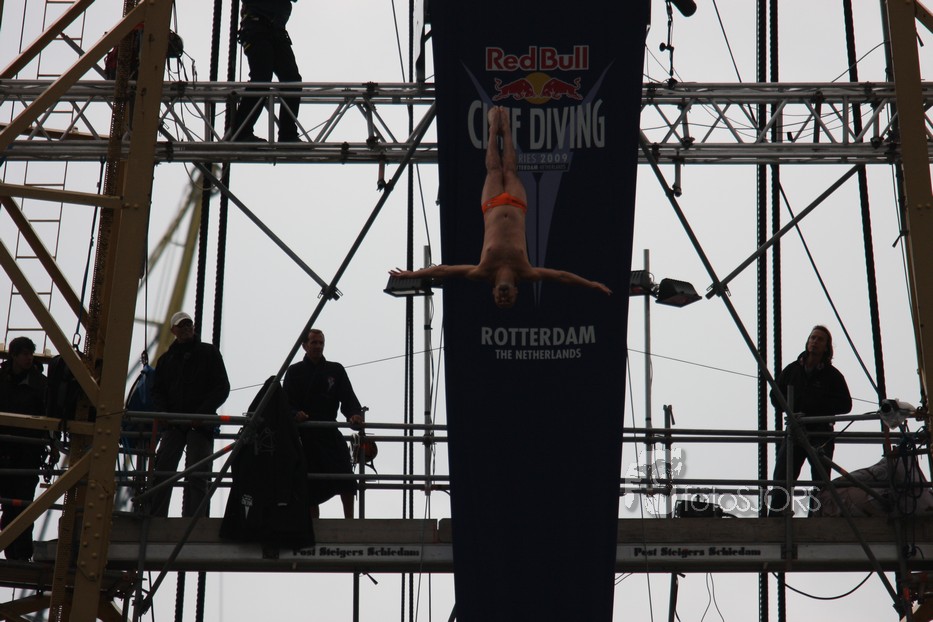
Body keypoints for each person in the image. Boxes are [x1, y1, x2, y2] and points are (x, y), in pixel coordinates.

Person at [389, 106, 611, 308]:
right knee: (511, 170)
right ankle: (506, 128)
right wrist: (591, 284)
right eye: (509, 299)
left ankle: (493, 129)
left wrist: (413, 274)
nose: (504, 297)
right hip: (516, 204)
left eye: (499, 299)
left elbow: (444, 270)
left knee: (494, 169)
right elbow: (561, 276)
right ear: (516, 291)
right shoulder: (526, 272)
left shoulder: (482, 271)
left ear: (493, 291)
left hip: (492, 205)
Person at [149, 311, 230, 517]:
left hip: (199, 424)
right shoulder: (166, 360)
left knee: (198, 474)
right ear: (173, 330)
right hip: (175, 424)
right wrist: (164, 413)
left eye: (188, 324)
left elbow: (222, 387)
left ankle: (197, 520)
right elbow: (157, 392)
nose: (186, 328)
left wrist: (201, 413)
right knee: (163, 471)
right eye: (182, 325)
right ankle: (157, 517)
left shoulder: (208, 353)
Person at [768, 325, 852, 517]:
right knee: (782, 475)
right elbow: (775, 396)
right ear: (807, 342)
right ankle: (776, 517)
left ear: (826, 347)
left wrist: (815, 406)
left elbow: (845, 405)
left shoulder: (832, 376)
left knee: (820, 480)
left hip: (820, 432)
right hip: (796, 431)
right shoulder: (792, 370)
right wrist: (792, 409)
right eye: (813, 338)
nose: (815, 341)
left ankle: (817, 518)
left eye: (820, 339)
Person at [283, 329, 365, 519]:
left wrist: (354, 415)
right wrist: (296, 414)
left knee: (346, 475)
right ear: (304, 346)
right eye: (314, 342)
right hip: (306, 435)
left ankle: (349, 521)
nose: (318, 346)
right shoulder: (294, 372)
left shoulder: (335, 370)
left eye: (321, 343)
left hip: (329, 430)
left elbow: (348, 399)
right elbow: (286, 403)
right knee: (310, 484)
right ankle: (314, 524)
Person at [0, 336, 48, 561]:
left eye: (30, 354)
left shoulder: (40, 384)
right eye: (25, 354)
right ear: (14, 356)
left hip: (28, 453)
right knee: (10, 505)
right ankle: (12, 552)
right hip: (5, 452)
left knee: (24, 506)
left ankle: (21, 554)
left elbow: (49, 415)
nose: (29, 358)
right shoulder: (3, 380)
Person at [228, 0, 302, 142]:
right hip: (257, 27)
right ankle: (242, 132)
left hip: (276, 30)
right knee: (261, 78)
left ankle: (288, 135)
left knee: (292, 80)